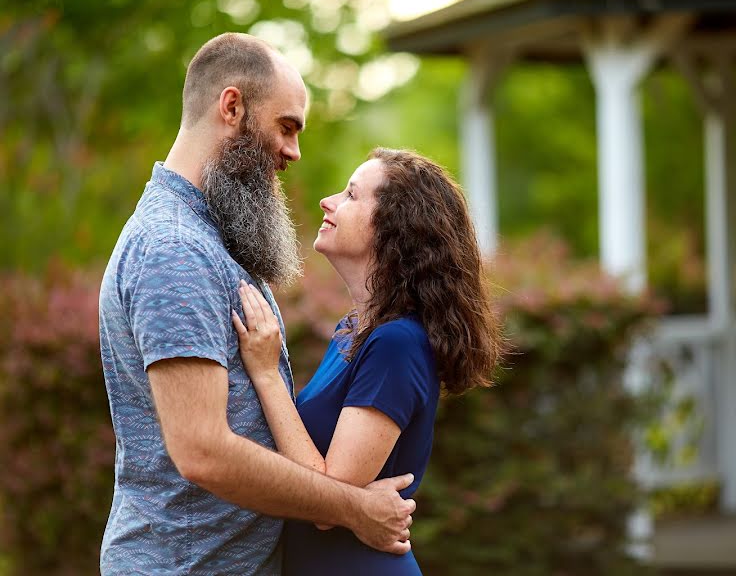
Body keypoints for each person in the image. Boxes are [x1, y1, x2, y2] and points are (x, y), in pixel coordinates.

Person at [98, 33, 414, 575]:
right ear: (232, 106)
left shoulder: (213, 235)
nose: (293, 151)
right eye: (286, 126)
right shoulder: (176, 249)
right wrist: (356, 508)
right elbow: (202, 451)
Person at [231, 148, 505, 574]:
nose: (329, 201)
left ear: (394, 228)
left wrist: (266, 374)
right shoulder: (353, 333)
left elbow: (329, 498)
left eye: (352, 195)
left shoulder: (398, 343)